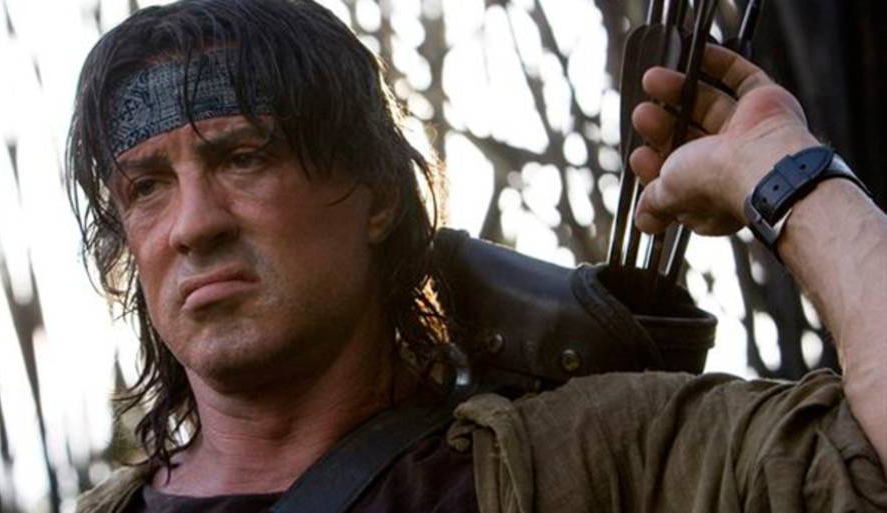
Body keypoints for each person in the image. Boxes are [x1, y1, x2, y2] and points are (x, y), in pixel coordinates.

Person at [68, 0, 887, 511]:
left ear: (378, 196)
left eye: (244, 158)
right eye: (147, 187)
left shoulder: (606, 459)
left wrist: (785, 173)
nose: (192, 225)